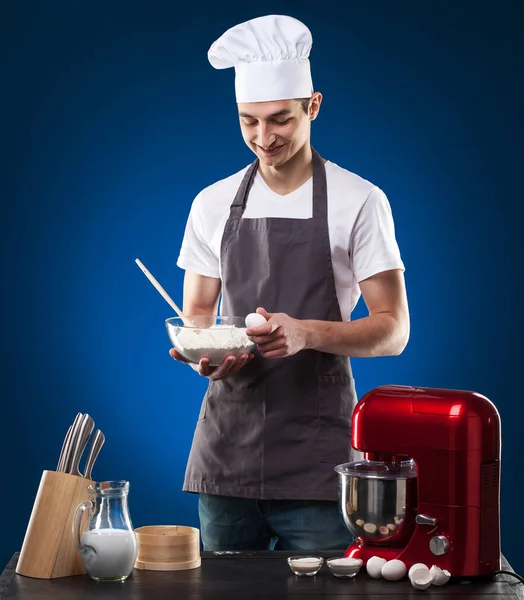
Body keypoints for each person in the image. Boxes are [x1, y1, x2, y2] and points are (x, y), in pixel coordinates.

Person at [170, 14, 410, 552]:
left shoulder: (360, 201)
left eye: (279, 119)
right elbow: (198, 314)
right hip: (226, 453)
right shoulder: (210, 204)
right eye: (248, 121)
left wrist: (305, 334)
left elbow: (393, 330)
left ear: (313, 106)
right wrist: (203, 354)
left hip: (318, 461)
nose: (263, 137)